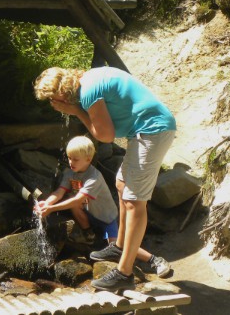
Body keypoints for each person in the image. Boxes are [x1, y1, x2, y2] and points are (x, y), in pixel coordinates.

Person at [34, 66, 176, 291]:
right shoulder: (88, 79)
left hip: (152, 131)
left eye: (52, 99)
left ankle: (124, 272)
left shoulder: (89, 91)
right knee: (121, 183)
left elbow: (106, 136)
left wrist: (76, 111)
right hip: (141, 134)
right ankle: (119, 245)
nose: (53, 103)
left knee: (134, 201)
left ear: (61, 92)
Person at [35, 136, 171, 279]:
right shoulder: (69, 172)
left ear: (88, 159)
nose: (71, 162)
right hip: (88, 213)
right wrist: (47, 203)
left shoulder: (94, 177)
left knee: (119, 246)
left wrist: (51, 209)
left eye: (75, 159)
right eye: (69, 158)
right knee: (71, 202)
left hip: (106, 219)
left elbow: (78, 199)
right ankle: (89, 234)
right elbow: (59, 192)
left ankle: (154, 260)